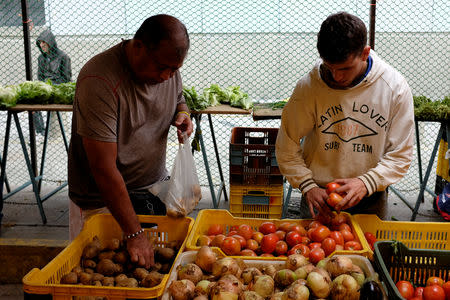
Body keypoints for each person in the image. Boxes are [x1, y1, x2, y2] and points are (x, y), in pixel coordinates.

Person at [68, 14, 193, 268]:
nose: (167, 76)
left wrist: (183, 112)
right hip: (101, 203)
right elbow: (103, 168)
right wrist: (134, 233)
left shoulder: (168, 68)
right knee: (97, 277)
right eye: (162, 68)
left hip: (151, 189)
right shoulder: (100, 81)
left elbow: (178, 96)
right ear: (138, 47)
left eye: (175, 69)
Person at [275, 12, 415, 220]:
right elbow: (287, 146)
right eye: (329, 67)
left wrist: (367, 182)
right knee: (313, 251)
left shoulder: (394, 88)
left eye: (345, 68)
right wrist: (308, 186)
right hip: (319, 196)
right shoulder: (308, 88)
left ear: (365, 53)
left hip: (370, 195)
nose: (337, 76)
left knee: (368, 251)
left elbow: (401, 153)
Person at [35, 29, 72, 134]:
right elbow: (40, 77)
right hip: (46, 87)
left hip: (59, 88)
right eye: (39, 43)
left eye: (43, 42)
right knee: (31, 101)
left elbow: (66, 79)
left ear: (50, 42)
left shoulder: (63, 57)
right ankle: (40, 131)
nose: (41, 45)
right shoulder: (41, 58)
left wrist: (51, 85)